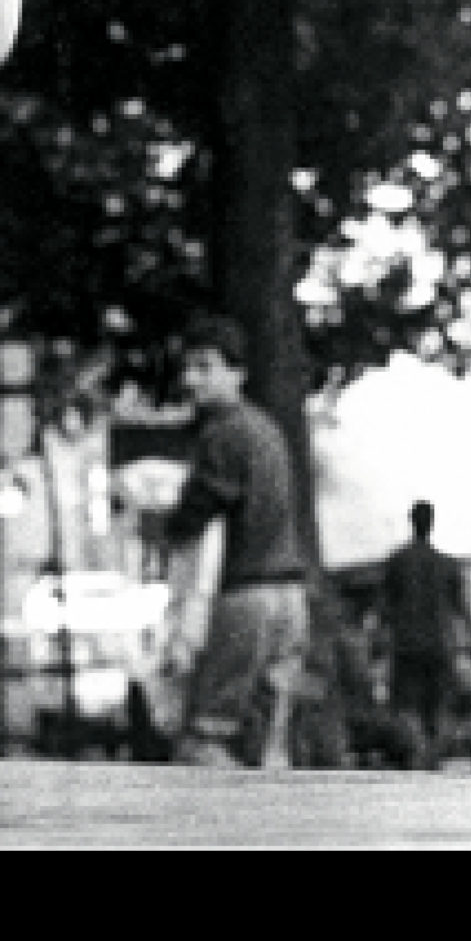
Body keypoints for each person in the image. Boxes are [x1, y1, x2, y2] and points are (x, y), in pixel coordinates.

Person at [157, 316, 311, 770]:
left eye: (205, 367)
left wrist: (168, 534)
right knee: (268, 744)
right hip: (290, 599)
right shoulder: (266, 429)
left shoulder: (222, 433)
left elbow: (193, 519)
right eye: (188, 368)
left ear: (237, 372)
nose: (191, 379)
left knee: (203, 739)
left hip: (247, 598)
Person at [381, 499, 471, 769]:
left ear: (412, 521)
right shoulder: (447, 565)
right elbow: (460, 611)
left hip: (407, 646)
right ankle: (431, 756)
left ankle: (417, 754)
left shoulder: (397, 561)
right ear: (432, 523)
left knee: (407, 706)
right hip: (440, 647)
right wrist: (467, 646)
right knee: (438, 708)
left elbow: (385, 608)